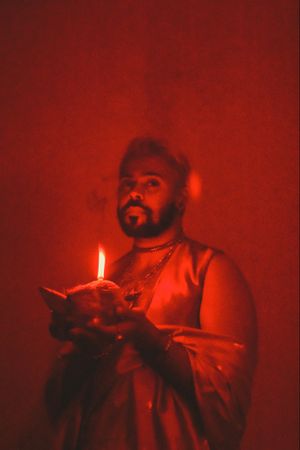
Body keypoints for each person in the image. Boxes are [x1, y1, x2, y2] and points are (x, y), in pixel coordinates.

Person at [23, 137, 257, 450]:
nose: (134, 193)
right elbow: (60, 401)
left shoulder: (209, 269)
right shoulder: (106, 280)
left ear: (181, 198)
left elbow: (226, 393)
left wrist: (147, 337)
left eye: (152, 183)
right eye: (127, 183)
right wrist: (82, 343)